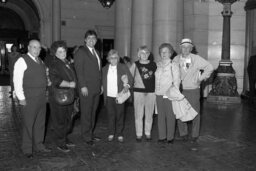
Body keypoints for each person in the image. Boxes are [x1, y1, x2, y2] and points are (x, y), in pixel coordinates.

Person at [13, 39, 51, 158]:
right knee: (28, 124)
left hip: (41, 97)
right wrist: (21, 98)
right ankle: (27, 149)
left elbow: (43, 77)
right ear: (28, 48)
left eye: (39, 48)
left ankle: (39, 145)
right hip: (29, 98)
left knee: (40, 123)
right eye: (34, 47)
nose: (37, 50)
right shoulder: (22, 60)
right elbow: (17, 80)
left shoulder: (40, 61)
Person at [173, 38, 213, 143]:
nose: (185, 49)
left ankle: (194, 135)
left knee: (195, 112)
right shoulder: (176, 59)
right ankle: (183, 133)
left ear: (191, 48)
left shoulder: (196, 58)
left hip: (193, 90)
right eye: (183, 47)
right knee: (180, 112)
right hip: (180, 90)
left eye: (188, 47)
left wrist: (201, 78)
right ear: (180, 48)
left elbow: (209, 67)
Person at [48, 41, 77, 153]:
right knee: (59, 120)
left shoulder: (66, 62)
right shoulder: (55, 64)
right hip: (59, 96)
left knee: (67, 119)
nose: (62, 53)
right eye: (59, 51)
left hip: (68, 95)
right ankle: (60, 142)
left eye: (64, 50)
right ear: (55, 53)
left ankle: (64, 138)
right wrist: (69, 84)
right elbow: (55, 80)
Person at [74, 30, 102, 145]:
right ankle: (86, 136)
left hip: (96, 87)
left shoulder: (97, 52)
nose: (92, 40)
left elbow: (98, 71)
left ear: (96, 40)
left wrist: (101, 85)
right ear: (85, 39)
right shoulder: (81, 51)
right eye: (89, 38)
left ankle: (90, 133)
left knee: (93, 112)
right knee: (86, 112)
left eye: (94, 38)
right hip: (86, 88)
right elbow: (79, 71)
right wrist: (83, 86)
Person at [102, 49, 133, 142]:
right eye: (111, 58)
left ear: (118, 58)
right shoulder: (104, 69)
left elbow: (130, 78)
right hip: (108, 96)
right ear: (108, 59)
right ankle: (111, 133)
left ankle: (119, 133)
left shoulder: (122, 67)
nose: (114, 60)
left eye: (115, 58)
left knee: (120, 115)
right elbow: (101, 81)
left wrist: (127, 85)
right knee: (110, 115)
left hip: (119, 95)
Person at [130, 46, 157, 142]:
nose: (144, 55)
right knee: (138, 114)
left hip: (151, 92)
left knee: (149, 114)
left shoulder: (154, 65)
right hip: (138, 92)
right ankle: (138, 134)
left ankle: (148, 133)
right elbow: (130, 77)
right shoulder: (135, 64)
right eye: (142, 53)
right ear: (138, 54)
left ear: (149, 54)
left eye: (146, 53)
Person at [155, 43, 180, 144]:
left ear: (170, 53)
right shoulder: (157, 64)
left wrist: (174, 93)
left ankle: (170, 137)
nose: (163, 53)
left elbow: (177, 81)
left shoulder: (173, 65)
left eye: (166, 52)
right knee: (160, 116)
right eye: (161, 52)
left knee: (170, 116)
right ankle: (162, 136)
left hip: (169, 93)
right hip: (158, 93)